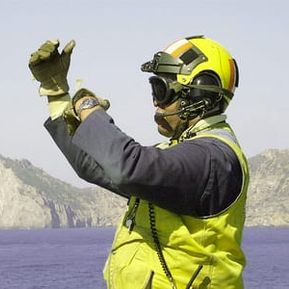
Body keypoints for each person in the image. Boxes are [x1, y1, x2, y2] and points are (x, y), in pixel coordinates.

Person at [28, 35, 249, 289]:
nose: (155, 101)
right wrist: (57, 95)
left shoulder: (213, 159)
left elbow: (128, 167)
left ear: (199, 94)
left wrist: (87, 106)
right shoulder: (181, 153)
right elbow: (94, 165)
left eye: (162, 90)